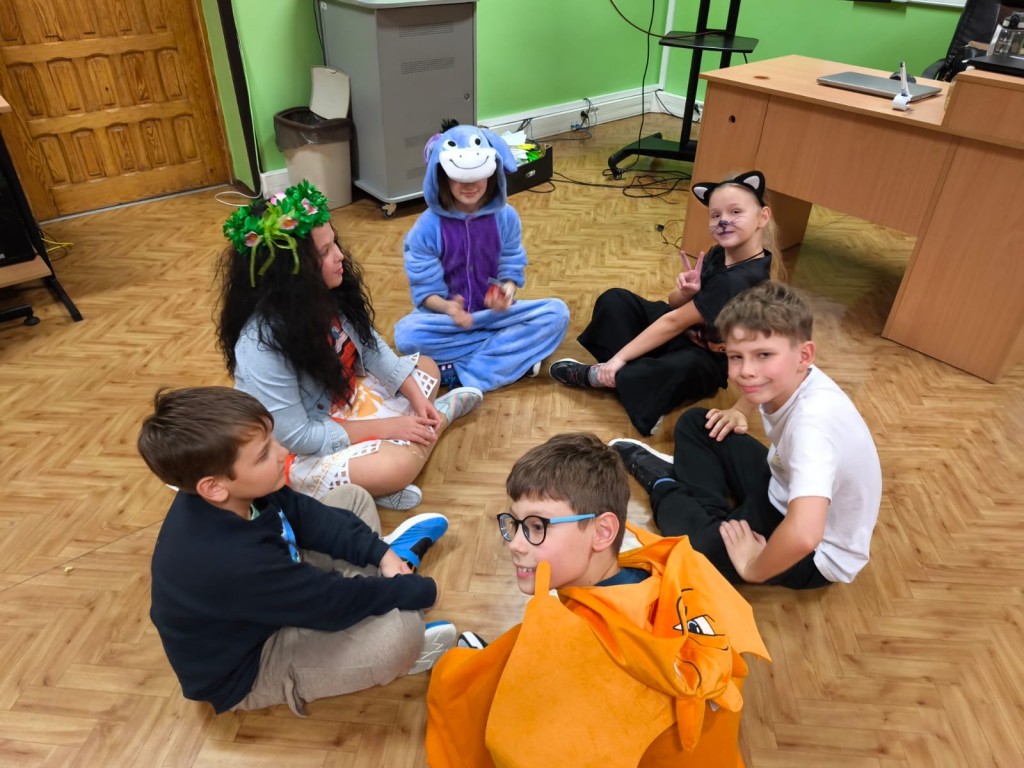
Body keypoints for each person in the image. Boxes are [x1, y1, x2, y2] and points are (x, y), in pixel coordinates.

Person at [425, 433, 769, 767]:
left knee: (460, 681)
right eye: (513, 523)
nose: (514, 543)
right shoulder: (680, 570)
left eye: (536, 526)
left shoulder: (568, 640)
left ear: (603, 531)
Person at [137, 386, 456, 716]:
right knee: (398, 638)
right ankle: (400, 626)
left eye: (272, 439)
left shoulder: (236, 490)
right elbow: (328, 605)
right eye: (263, 454)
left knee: (353, 497)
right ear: (214, 487)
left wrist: (379, 553)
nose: (283, 451)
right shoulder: (232, 562)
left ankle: (388, 567)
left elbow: (305, 514)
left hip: (280, 594)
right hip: (253, 662)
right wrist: (413, 591)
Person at [218, 180, 483, 511]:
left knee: (426, 369)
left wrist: (416, 399)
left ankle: (378, 478)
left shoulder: (329, 294)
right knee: (395, 465)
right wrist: (393, 426)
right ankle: (437, 423)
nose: (339, 256)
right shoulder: (260, 346)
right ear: (289, 274)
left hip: (343, 403)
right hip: (301, 447)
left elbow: (372, 350)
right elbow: (297, 437)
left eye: (334, 243)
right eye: (325, 252)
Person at [611, 281, 883, 589]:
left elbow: (805, 535)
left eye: (763, 354)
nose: (746, 371)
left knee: (696, 553)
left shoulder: (812, 428)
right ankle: (713, 519)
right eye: (736, 356)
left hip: (817, 554)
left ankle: (665, 484)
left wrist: (752, 567)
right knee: (697, 424)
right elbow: (760, 381)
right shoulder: (797, 373)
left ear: (804, 355)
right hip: (780, 484)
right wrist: (741, 409)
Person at [550, 170, 782, 437]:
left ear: (762, 217)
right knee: (615, 300)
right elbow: (673, 305)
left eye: (735, 212)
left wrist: (618, 358)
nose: (723, 221)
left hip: (704, 359)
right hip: (682, 333)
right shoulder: (720, 253)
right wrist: (687, 291)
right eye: (715, 215)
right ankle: (635, 382)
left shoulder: (740, 280)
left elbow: (674, 321)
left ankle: (606, 375)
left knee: (671, 366)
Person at [394, 123, 570, 392]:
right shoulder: (426, 228)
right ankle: (510, 359)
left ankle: (457, 371)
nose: (469, 185)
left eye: (477, 175)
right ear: (442, 176)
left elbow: (511, 265)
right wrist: (449, 308)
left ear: (492, 172)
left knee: (557, 314)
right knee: (406, 335)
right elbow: (425, 290)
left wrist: (506, 293)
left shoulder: (506, 217)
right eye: (459, 178)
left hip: (495, 317)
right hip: (447, 322)